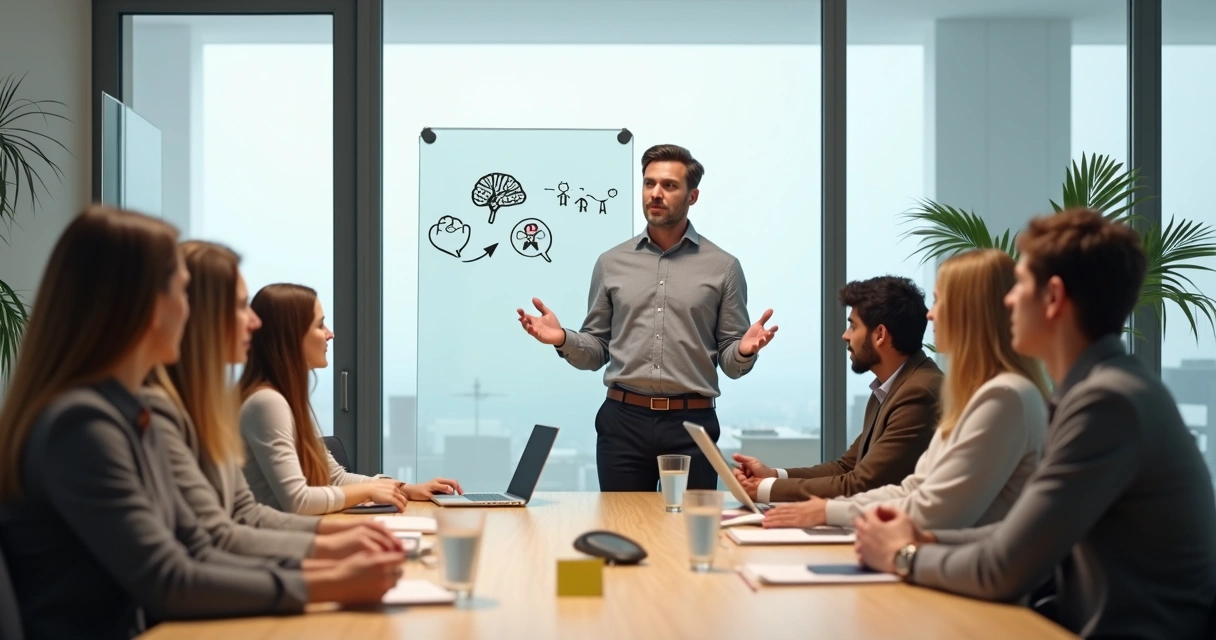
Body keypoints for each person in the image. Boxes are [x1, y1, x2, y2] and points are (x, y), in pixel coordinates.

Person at [0, 206, 402, 639]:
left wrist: (334, 553)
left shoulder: (121, 412)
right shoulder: (83, 426)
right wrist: (329, 580)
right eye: (184, 292)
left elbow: (207, 540)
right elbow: (169, 578)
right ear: (140, 305)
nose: (193, 311)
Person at [853, 209, 1216, 640]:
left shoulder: (1107, 403)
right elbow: (1017, 534)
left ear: (1053, 298)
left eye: (1021, 284)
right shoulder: (1099, 390)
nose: (1008, 300)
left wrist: (904, 555)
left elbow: (1004, 568)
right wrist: (924, 540)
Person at [517, 143, 778, 491]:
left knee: (689, 537)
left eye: (669, 185)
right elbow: (596, 350)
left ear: (693, 196)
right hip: (622, 421)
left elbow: (731, 364)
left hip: (693, 424)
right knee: (621, 533)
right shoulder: (611, 263)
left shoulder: (724, 268)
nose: (655, 193)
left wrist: (744, 350)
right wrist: (563, 339)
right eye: (649, 183)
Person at [149, 240, 402, 559]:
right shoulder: (165, 414)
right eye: (241, 307)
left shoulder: (211, 408)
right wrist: (328, 566)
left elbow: (245, 515)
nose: (254, 324)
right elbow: (204, 550)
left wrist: (348, 536)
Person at [762, 249, 1049, 530]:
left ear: (969, 311)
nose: (931, 315)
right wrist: (816, 504)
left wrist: (827, 511)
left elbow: (935, 510)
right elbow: (914, 488)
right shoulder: (980, 393)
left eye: (939, 302)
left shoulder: (1002, 397)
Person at [238, 283, 461, 514]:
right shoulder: (267, 403)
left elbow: (336, 478)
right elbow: (298, 500)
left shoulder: (286, 400)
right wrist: (369, 491)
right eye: (319, 324)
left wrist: (405, 488)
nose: (330, 333)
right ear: (291, 336)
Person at [733, 276, 943, 502]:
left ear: (880, 335)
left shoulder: (918, 393)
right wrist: (773, 476)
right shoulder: (893, 387)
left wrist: (764, 490)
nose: (845, 335)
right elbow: (847, 466)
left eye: (853, 325)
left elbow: (861, 484)